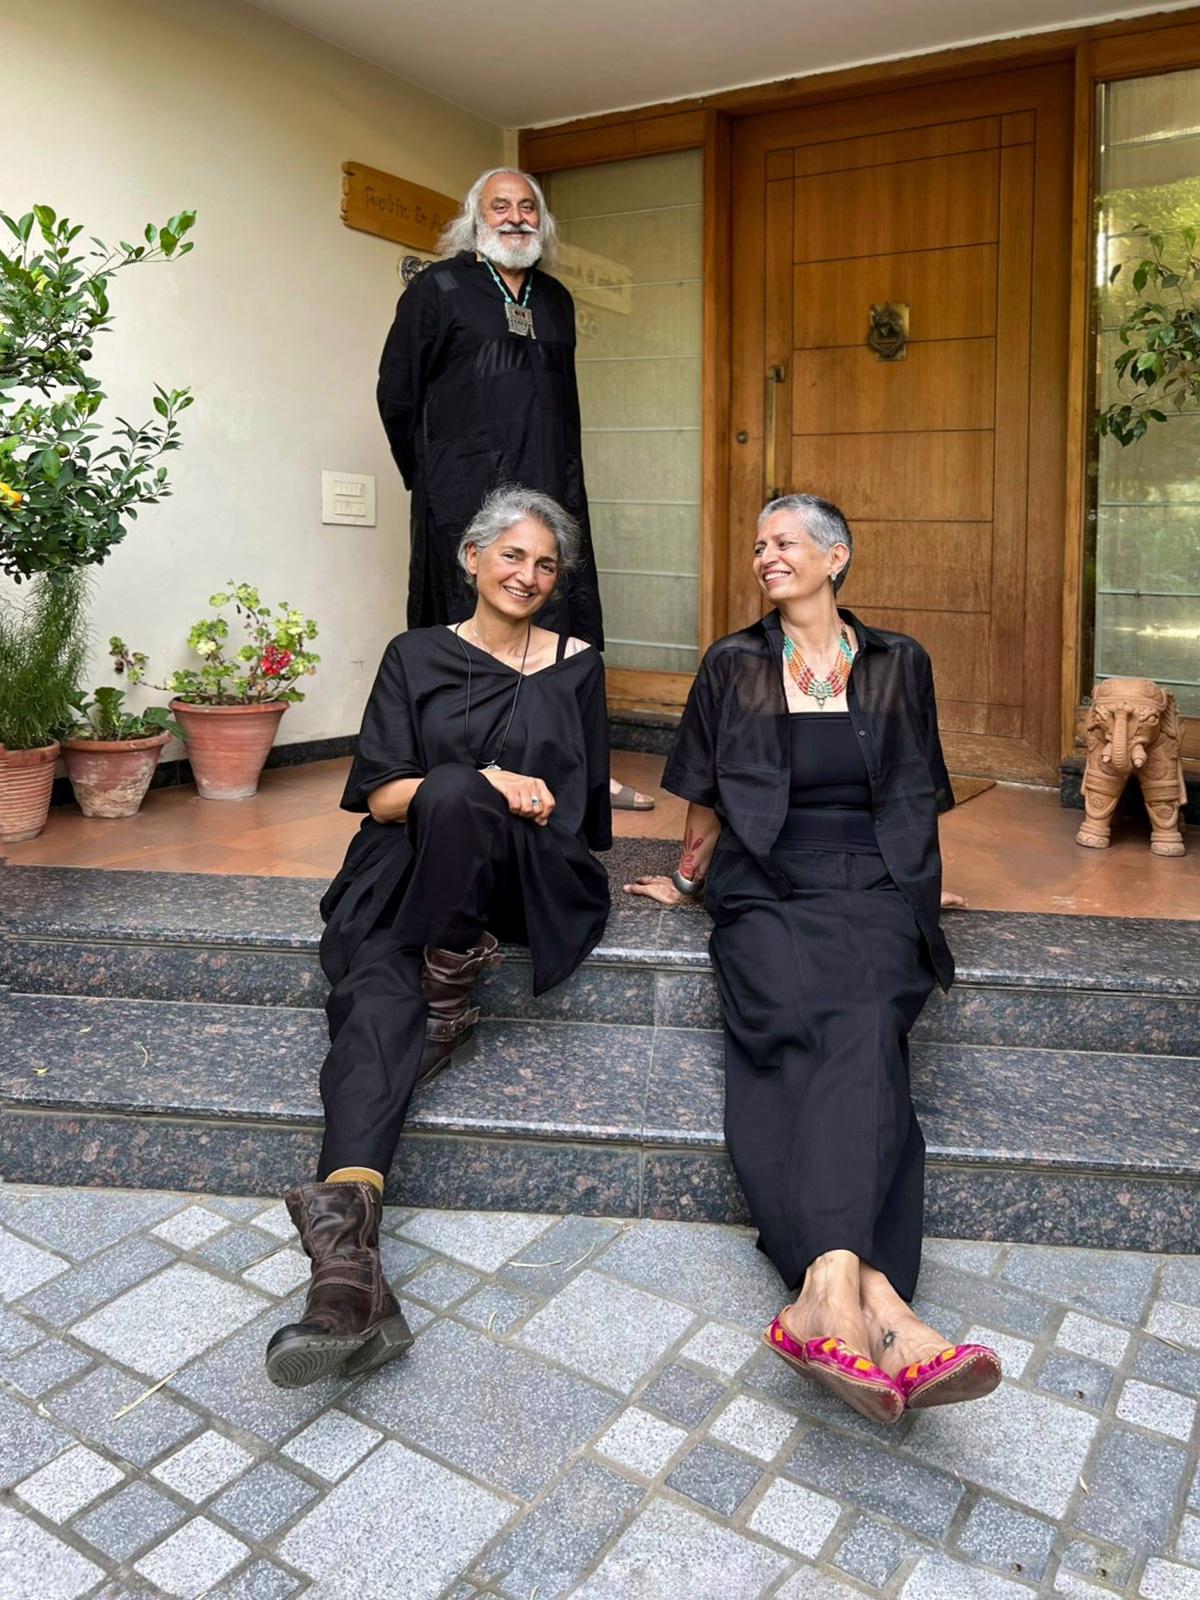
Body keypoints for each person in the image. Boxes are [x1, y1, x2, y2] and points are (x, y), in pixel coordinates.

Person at [625, 494, 1000, 1422]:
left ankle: (825, 1293)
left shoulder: (897, 662)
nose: (765, 557)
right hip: (765, 880)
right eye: (758, 546)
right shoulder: (735, 662)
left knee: (869, 1019)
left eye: (784, 543)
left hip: (872, 880)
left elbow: (916, 789)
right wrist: (687, 876)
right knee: (803, 1025)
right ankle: (886, 1309)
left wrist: (919, 881)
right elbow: (704, 789)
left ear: (835, 557)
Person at [265, 485, 612, 1389]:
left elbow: (583, 811)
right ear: (470, 558)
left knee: (461, 790)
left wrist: (505, 792)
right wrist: (482, 778)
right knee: (379, 991)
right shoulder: (414, 655)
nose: (529, 575)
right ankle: (346, 1276)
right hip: (415, 867)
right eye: (511, 556)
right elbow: (383, 795)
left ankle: (448, 982)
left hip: (524, 873)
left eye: (545, 564)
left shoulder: (579, 663)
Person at [376, 164, 653, 812]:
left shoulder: (555, 298)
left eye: (527, 207)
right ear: (476, 219)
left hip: (551, 485)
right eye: (500, 205)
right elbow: (396, 393)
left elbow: (566, 402)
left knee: (560, 620)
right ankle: (459, 770)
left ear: (542, 222)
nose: (516, 216)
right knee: (465, 626)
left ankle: (583, 774)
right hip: (464, 498)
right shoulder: (438, 287)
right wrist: (436, 480)